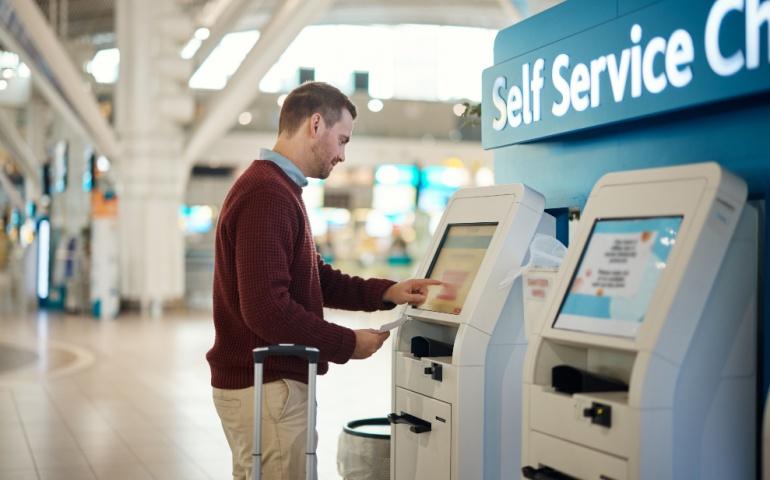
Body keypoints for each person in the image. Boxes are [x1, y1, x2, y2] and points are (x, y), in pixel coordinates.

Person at [206, 81, 440, 480]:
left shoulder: (279, 189)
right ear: (316, 124)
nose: (342, 155)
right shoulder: (268, 193)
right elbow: (267, 309)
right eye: (342, 140)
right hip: (267, 385)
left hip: (269, 384)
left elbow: (316, 279)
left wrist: (386, 292)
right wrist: (347, 343)